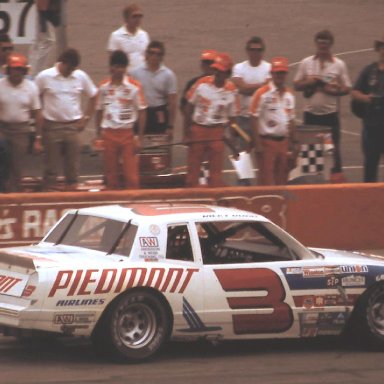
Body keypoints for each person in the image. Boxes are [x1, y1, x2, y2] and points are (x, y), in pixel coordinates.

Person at [35, 48, 98, 191]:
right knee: (51, 166)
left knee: (73, 166)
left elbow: (94, 95)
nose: (71, 72)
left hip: (72, 127)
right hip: (51, 127)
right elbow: (34, 96)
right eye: (69, 68)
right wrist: (40, 115)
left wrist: (86, 118)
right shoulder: (45, 76)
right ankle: (49, 196)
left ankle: (72, 194)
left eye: (73, 69)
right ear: (62, 63)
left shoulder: (80, 76)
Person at [294, 30, 351, 182]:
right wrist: (311, 82)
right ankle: (312, 183)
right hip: (311, 116)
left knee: (332, 151)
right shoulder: (306, 63)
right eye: (320, 42)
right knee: (310, 151)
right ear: (316, 43)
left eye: (326, 43)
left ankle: (336, 183)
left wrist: (331, 89)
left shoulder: (338, 65)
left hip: (329, 118)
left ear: (330, 44)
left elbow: (347, 88)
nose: (323, 45)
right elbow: (296, 85)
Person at [184, 52, 240, 187]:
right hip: (198, 129)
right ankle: (191, 199)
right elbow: (188, 107)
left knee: (216, 175)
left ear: (227, 73)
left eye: (221, 71)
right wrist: (186, 133)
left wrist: (234, 143)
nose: (217, 73)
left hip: (217, 133)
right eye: (216, 70)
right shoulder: (201, 84)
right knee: (193, 172)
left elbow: (233, 120)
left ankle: (214, 200)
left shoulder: (232, 91)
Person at [95, 50, 147, 190]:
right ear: (110, 67)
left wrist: (139, 137)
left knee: (132, 177)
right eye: (116, 67)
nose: (118, 70)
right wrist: (98, 135)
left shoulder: (134, 87)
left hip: (127, 135)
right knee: (111, 176)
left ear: (126, 68)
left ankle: (134, 205)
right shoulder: (103, 87)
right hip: (108, 134)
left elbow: (142, 112)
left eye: (121, 67)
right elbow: (99, 110)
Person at [249, 57, 297, 186]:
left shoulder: (289, 95)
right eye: (277, 73)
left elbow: (291, 119)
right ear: (272, 74)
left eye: (282, 73)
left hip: (284, 143)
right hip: (266, 142)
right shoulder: (262, 93)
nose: (280, 76)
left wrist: (293, 143)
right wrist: (257, 144)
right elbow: (253, 117)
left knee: (282, 179)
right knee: (266, 180)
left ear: (286, 74)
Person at [0, 53, 43, 192]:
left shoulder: (31, 87)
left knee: (17, 166)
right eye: (13, 69)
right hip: (3, 129)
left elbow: (37, 113)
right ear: (8, 70)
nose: (16, 72)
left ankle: (13, 196)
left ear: (24, 71)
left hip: (21, 131)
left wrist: (38, 138)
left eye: (19, 69)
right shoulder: (1, 85)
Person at [232, 36, 271, 185]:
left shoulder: (269, 67)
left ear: (263, 51)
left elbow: (248, 89)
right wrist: (262, 86)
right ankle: (243, 187)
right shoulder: (239, 67)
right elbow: (241, 88)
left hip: (262, 119)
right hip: (243, 119)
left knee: (264, 157)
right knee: (243, 157)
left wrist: (249, 87)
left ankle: (264, 186)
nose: (255, 53)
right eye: (252, 50)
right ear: (247, 51)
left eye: (259, 50)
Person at [351, 35, 384, 182]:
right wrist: (366, 98)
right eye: (383, 46)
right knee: (370, 166)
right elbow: (354, 91)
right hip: (372, 127)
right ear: (378, 49)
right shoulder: (369, 71)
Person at [131, 40, 177, 136]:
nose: (154, 56)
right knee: (137, 143)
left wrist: (170, 126)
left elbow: (172, 102)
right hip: (140, 112)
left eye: (158, 54)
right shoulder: (135, 73)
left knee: (160, 143)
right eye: (151, 53)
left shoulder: (168, 75)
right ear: (146, 54)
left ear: (162, 57)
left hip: (159, 112)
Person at [107, 3, 149, 73]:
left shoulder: (144, 35)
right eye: (134, 16)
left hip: (143, 75)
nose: (138, 19)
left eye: (140, 16)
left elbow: (147, 57)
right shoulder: (116, 36)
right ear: (126, 19)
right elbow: (113, 61)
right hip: (126, 76)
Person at [180, 49, 217, 115]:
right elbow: (183, 105)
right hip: (197, 123)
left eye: (211, 62)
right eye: (206, 62)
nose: (209, 66)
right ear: (202, 65)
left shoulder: (224, 84)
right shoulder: (192, 83)